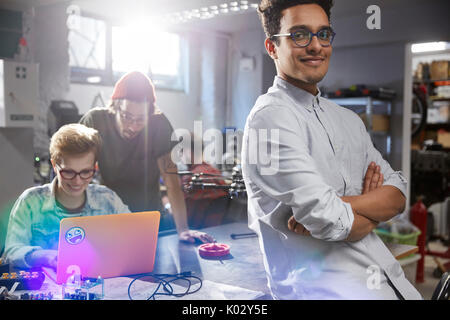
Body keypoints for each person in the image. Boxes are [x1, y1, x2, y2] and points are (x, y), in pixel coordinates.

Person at [241, 0, 422, 299]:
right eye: (300, 35)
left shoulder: (348, 120)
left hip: (393, 286)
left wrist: (344, 204)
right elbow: (329, 220)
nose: (316, 46)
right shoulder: (269, 119)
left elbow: (398, 192)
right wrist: (372, 206)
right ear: (272, 48)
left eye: (323, 34)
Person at [79, 71, 213, 244]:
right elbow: (76, 170)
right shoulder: (95, 121)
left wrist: (183, 230)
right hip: (107, 217)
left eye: (141, 119)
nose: (133, 126)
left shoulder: (158, 125)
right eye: (127, 117)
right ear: (114, 107)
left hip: (147, 219)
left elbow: (172, 183)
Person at [4, 124, 130, 270]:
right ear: (54, 165)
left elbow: (133, 239)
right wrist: (44, 257)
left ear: (94, 167)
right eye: (68, 172)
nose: (77, 181)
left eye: (85, 172)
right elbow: (12, 252)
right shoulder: (30, 202)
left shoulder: (108, 200)